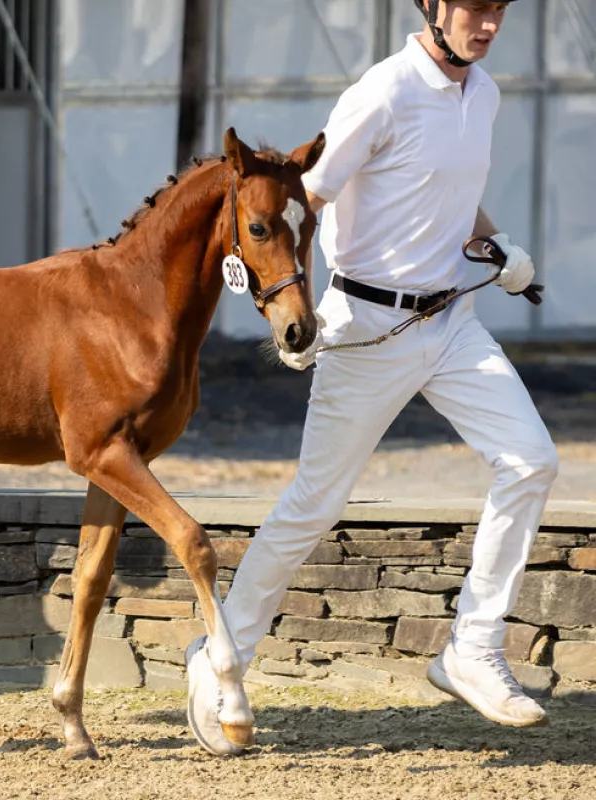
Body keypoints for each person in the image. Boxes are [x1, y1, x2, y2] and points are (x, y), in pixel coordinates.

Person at [186, 0, 558, 756]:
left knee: (532, 460)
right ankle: (218, 658)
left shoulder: (481, 93)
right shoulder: (381, 92)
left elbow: (450, 195)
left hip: (451, 320)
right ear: (433, 5)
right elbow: (298, 201)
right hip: (365, 327)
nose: (486, 25)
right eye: (473, 9)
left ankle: (471, 650)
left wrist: (499, 244)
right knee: (314, 504)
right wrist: (288, 314)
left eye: (498, 11)